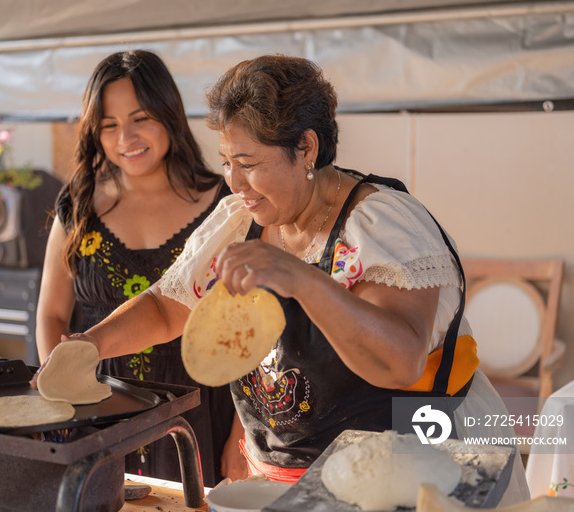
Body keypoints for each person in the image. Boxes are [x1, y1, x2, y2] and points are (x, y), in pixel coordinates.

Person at [38, 54, 529, 503]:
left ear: (307, 148)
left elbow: (400, 360)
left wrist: (302, 278)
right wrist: (88, 348)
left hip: (415, 462)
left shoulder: (382, 226)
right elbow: (170, 307)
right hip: (291, 472)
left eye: (249, 164)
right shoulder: (237, 221)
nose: (234, 182)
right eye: (228, 162)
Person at [35, 50, 245, 487]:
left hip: (203, 412)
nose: (125, 138)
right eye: (108, 125)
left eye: (140, 118)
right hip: (97, 412)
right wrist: (61, 398)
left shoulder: (230, 206)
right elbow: (53, 313)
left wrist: (242, 437)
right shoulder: (76, 206)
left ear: (169, 114)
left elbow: (256, 332)